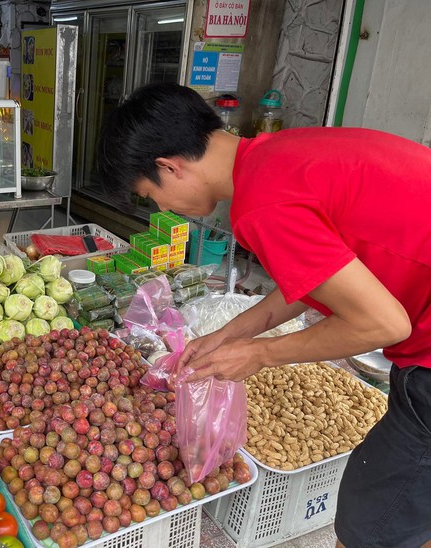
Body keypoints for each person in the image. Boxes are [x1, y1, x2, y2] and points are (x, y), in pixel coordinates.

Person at [97, 82, 431, 548]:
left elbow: (384, 324)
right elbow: (321, 276)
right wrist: (236, 332)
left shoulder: (262, 204)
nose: (165, 208)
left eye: (152, 196)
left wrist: (261, 355)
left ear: (169, 167)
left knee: (371, 525)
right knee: (413, 505)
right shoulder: (278, 152)